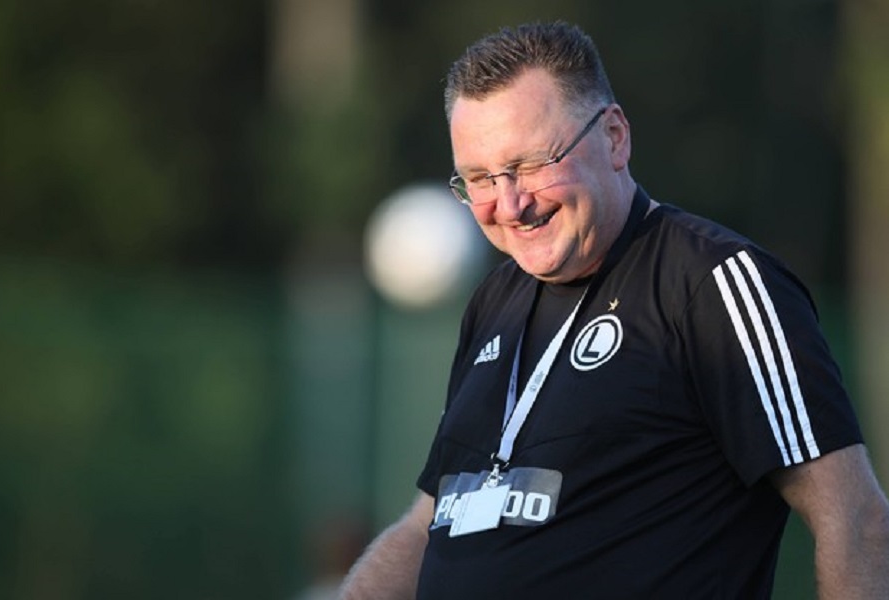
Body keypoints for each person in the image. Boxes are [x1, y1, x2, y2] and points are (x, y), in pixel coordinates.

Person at [339, 21, 889, 599]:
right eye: (480, 179)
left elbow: (855, 521)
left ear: (615, 137)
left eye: (532, 164)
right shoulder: (493, 304)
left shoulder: (712, 284)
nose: (510, 204)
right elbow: (429, 524)